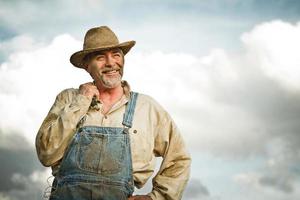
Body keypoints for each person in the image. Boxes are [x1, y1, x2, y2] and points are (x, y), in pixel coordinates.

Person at [35, 26, 191, 200]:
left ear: (123, 60)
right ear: (87, 65)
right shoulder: (69, 99)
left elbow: (179, 158)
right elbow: (46, 154)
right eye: (101, 57)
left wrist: (157, 197)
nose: (110, 63)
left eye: (116, 55)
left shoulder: (147, 108)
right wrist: (81, 101)